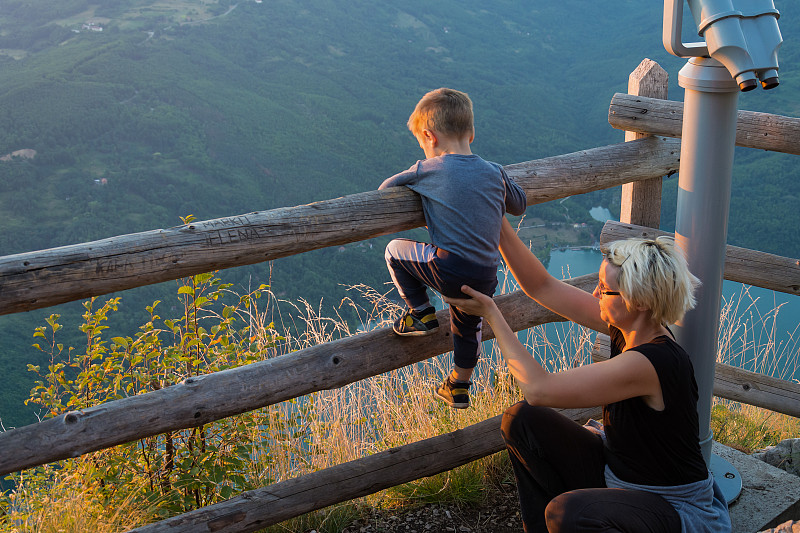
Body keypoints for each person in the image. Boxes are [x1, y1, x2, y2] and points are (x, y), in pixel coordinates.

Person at [443, 217, 731, 533]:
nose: (595, 293)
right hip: (619, 476)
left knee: (568, 514)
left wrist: (491, 315)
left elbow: (539, 390)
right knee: (522, 421)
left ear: (639, 301)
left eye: (605, 289)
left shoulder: (652, 362)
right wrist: (493, 217)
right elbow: (543, 286)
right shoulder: (633, 327)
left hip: (671, 508)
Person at [379, 87, 527, 409]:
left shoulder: (428, 169)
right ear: (471, 132)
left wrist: (420, 182)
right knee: (467, 322)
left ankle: (420, 313)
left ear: (429, 137)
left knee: (393, 250)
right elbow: (519, 204)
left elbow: (384, 192)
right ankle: (459, 385)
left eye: (422, 143)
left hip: (447, 268)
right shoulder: (494, 170)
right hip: (486, 276)